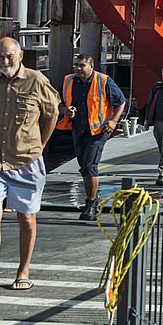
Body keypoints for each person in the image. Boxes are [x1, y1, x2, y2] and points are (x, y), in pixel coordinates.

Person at [0, 37, 60, 293]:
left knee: (27, 218)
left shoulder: (36, 80)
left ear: (20, 55)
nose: (5, 61)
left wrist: (40, 145)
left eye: (9, 56)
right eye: (0, 56)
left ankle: (23, 271)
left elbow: (53, 112)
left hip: (26, 161)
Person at [57, 54, 127, 221]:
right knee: (84, 167)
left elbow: (121, 101)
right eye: (76, 65)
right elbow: (58, 104)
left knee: (90, 166)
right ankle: (91, 198)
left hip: (97, 132)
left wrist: (113, 121)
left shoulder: (103, 81)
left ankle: (91, 203)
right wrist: (66, 110)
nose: (78, 69)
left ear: (91, 67)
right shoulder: (68, 81)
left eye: (82, 65)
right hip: (78, 129)